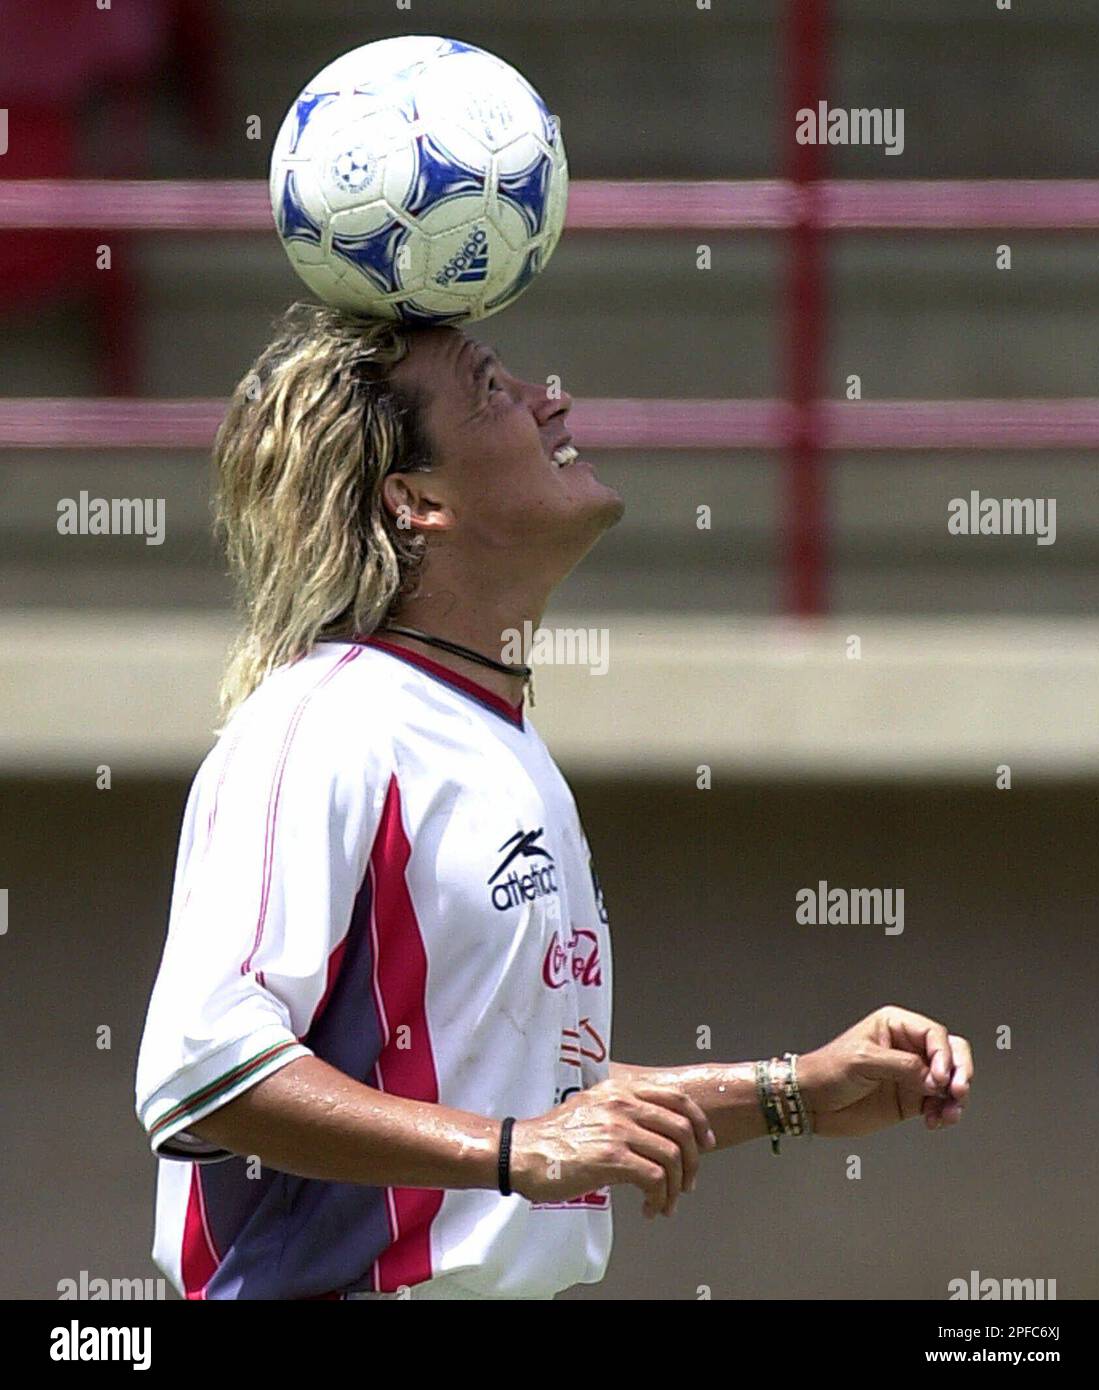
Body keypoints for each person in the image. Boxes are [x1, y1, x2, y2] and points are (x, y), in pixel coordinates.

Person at [135, 303, 973, 1300]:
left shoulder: (498, 735)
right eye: (494, 389)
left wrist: (790, 1093)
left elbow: (511, 1092)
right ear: (414, 500)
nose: (550, 398)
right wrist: (514, 1148)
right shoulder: (323, 721)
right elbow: (205, 1066)